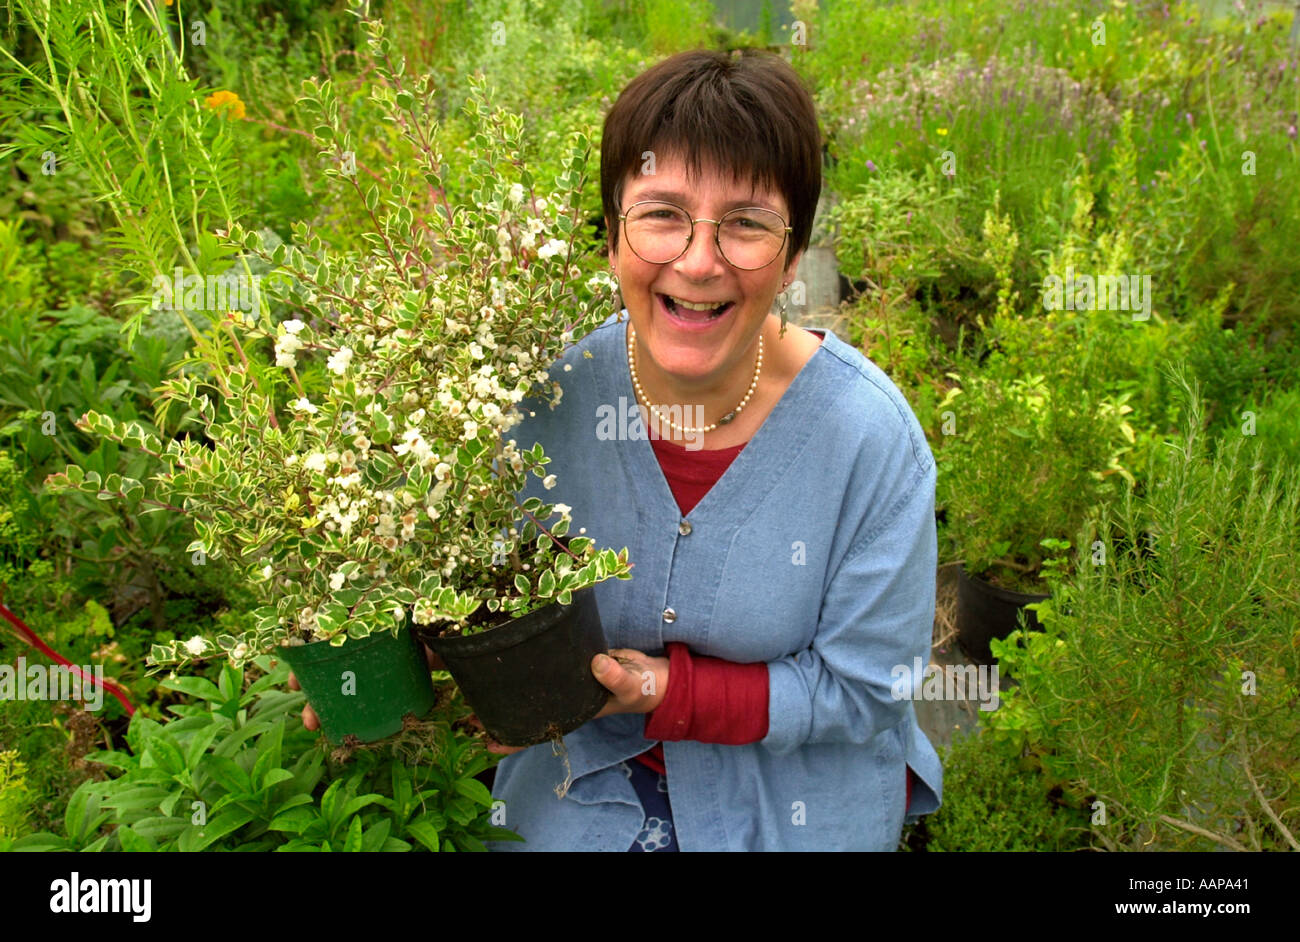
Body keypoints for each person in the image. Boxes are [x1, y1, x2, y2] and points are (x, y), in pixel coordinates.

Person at [478, 48, 943, 851]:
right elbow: (467, 600)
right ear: (612, 236)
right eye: (662, 214)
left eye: (746, 224)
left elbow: (870, 692)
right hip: (578, 789)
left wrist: (661, 690)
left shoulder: (870, 442)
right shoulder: (541, 399)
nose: (699, 261)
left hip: (794, 801)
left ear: (794, 256)